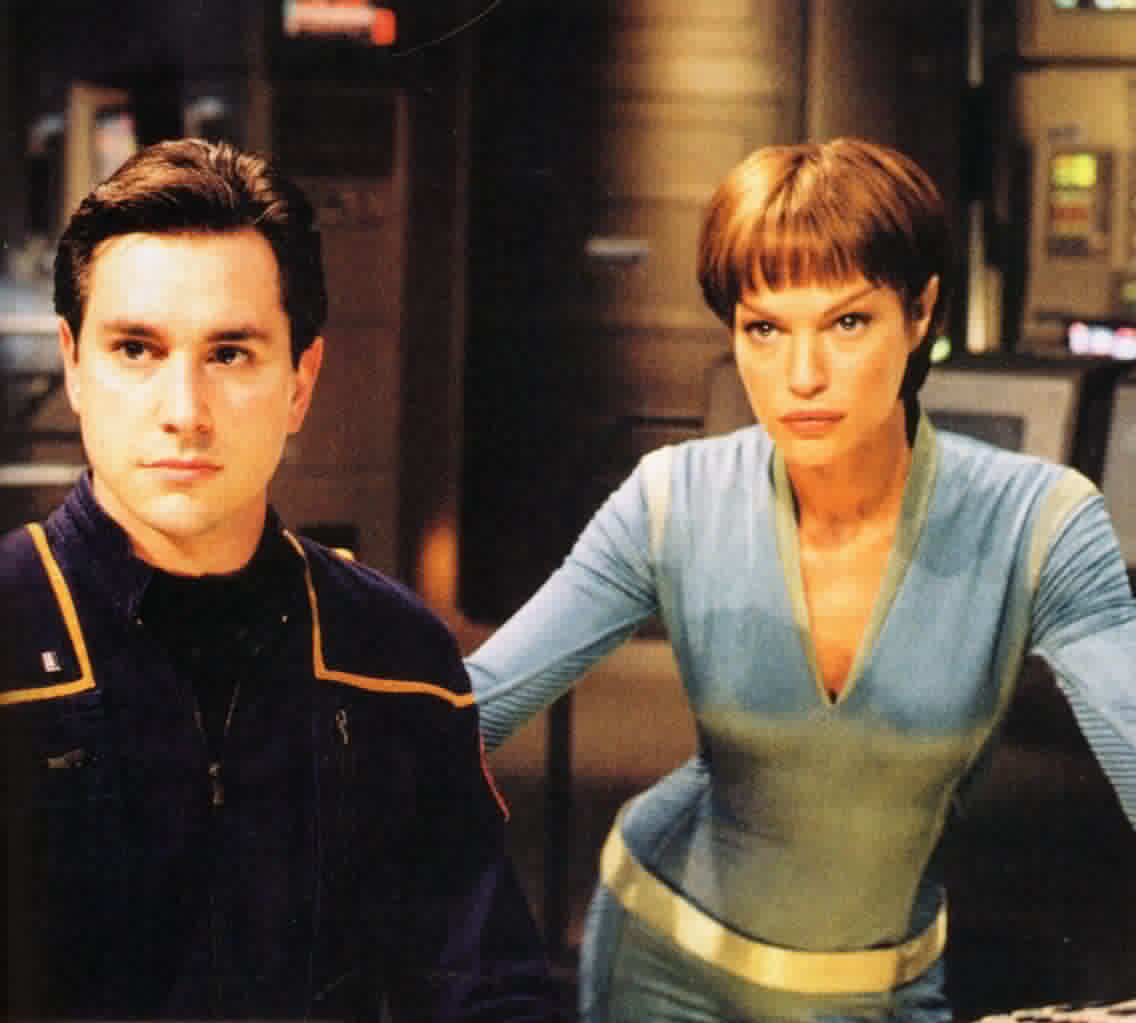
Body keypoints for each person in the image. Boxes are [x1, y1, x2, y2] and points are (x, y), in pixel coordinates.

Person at [465, 138, 1136, 1021]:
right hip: (663, 963)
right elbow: (469, 706)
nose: (802, 376)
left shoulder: (1041, 521)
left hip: (882, 987)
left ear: (920, 313)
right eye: (765, 328)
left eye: (847, 323)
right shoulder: (673, 498)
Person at [1, 138, 559, 1021]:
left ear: (301, 382)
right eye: (137, 348)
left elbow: (488, 986)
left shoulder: (396, 659)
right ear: (74, 365)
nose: (184, 411)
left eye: (230, 354)